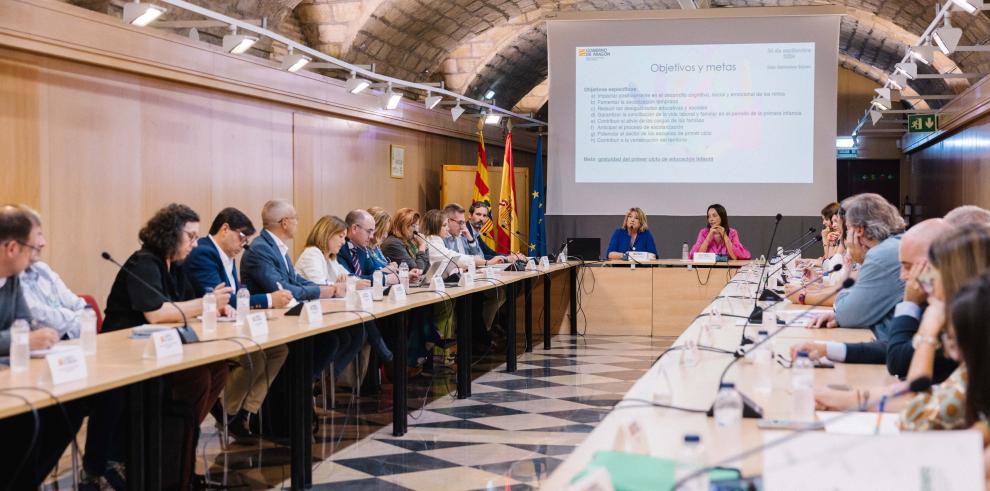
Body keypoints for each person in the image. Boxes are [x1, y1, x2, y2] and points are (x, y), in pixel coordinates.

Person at [96, 204, 230, 489]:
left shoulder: (176, 265)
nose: (195, 244)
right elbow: (156, 312)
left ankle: (178, 444)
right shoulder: (144, 261)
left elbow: (186, 306)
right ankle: (160, 451)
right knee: (196, 377)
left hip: (161, 350)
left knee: (218, 369)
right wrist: (206, 304)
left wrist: (215, 309)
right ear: (170, 235)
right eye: (191, 237)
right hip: (126, 355)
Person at [813, 224, 990, 436]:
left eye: (925, 270)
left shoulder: (962, 321)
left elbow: (914, 414)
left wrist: (926, 325)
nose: (909, 278)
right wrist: (851, 399)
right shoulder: (953, 314)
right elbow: (922, 397)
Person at [792, 218, 955, 374]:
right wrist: (826, 349)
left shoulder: (956, 309)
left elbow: (899, 359)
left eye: (908, 266)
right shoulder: (934, 302)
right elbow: (892, 348)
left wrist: (909, 304)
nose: (903, 276)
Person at [184, 207, 290, 440]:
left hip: (228, 324)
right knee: (255, 355)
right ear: (224, 229)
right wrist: (269, 299)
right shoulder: (204, 252)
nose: (244, 244)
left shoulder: (228, 256)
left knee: (278, 350)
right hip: (204, 330)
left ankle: (245, 411)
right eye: (241, 236)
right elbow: (222, 298)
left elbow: (238, 294)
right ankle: (228, 413)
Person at [0, 204, 82, 491]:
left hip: (11, 376)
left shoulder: (11, 280)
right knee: (24, 424)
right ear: (12, 248)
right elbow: (22, 332)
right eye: (31, 243)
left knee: (69, 405)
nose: (39, 247)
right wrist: (20, 340)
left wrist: (23, 337)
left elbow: (23, 321)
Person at [240, 201, 361, 381]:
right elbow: (283, 289)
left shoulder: (276, 246)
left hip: (285, 315)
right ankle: (301, 393)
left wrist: (325, 289)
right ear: (285, 222)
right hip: (271, 320)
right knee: (330, 341)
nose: (298, 222)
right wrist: (324, 291)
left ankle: (304, 393)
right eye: (295, 218)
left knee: (338, 338)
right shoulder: (261, 249)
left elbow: (296, 280)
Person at [791, 194, 905, 365]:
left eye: (848, 229)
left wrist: (860, 259)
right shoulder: (896, 245)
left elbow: (846, 312)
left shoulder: (881, 255)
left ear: (858, 230)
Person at [296, 215, 393, 364]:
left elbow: (351, 278)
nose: (343, 241)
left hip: (327, 311)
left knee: (358, 333)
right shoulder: (312, 254)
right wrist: (341, 285)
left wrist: (344, 285)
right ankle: (387, 357)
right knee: (349, 334)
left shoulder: (330, 258)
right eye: (340, 236)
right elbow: (321, 285)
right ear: (326, 234)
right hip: (308, 316)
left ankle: (330, 378)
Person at [17, 206, 88, 340]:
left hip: (64, 347)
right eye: (37, 235)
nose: (43, 243)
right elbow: (36, 317)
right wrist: (74, 318)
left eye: (41, 234)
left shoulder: (43, 269)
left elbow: (84, 308)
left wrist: (65, 322)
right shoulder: (8, 278)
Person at [337, 209, 398, 284]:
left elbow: (372, 273)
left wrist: (395, 275)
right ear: (354, 228)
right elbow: (350, 278)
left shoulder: (361, 248)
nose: (372, 236)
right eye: (369, 231)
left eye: (373, 232)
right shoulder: (339, 247)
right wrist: (385, 279)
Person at [381, 207, 429, 276]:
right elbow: (417, 270)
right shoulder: (393, 243)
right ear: (402, 226)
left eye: (417, 226)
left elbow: (426, 268)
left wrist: (424, 246)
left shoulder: (410, 242)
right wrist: (422, 246)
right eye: (413, 226)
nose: (416, 230)